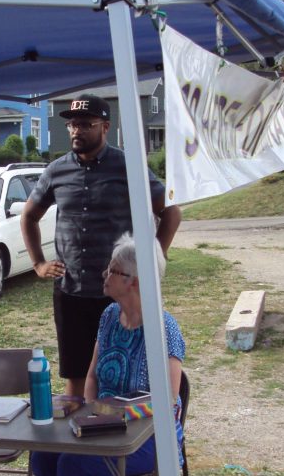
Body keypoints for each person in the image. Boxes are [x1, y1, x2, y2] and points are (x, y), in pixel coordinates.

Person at [30, 233, 185, 476]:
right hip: (101, 429)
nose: (104, 275)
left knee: (73, 465)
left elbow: (169, 398)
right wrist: (84, 413)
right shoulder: (110, 316)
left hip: (148, 439)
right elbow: (94, 375)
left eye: (112, 270)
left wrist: (119, 415)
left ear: (133, 280)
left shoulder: (165, 329)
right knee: (43, 455)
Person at [20, 93, 181, 398]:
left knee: (123, 374)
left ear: (105, 127)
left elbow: (171, 212)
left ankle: (122, 439)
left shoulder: (127, 166)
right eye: (72, 125)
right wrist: (39, 263)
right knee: (77, 378)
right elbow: (29, 216)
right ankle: (82, 439)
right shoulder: (56, 170)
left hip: (120, 293)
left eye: (86, 124)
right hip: (71, 291)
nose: (77, 131)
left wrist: (152, 260)